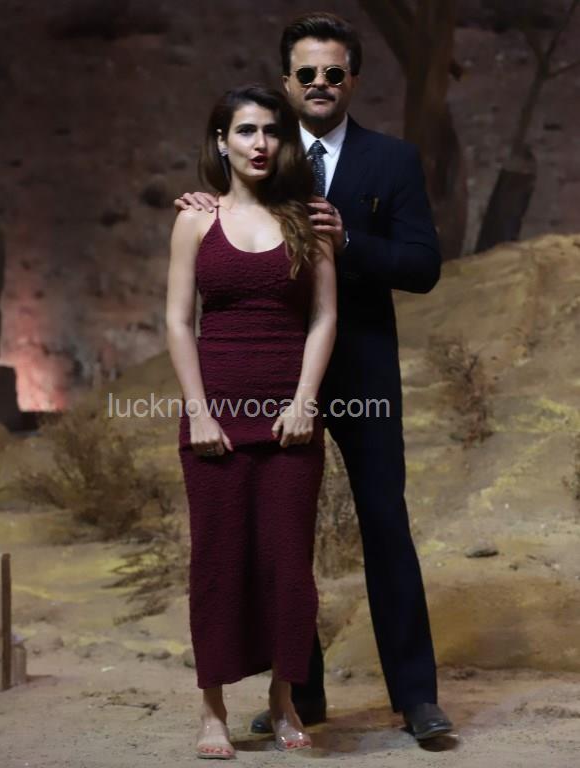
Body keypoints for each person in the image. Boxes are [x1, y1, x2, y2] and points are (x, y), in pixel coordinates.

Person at [175, 12, 454, 742]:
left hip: (358, 369)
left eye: (334, 72)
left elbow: (424, 266)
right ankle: (301, 693)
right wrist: (204, 199)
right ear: (286, 80)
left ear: (352, 79)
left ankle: (415, 698)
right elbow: (224, 233)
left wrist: (349, 239)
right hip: (264, 372)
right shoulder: (262, 151)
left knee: (384, 523)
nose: (321, 83)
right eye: (307, 73)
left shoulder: (391, 160)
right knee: (278, 536)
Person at [166, 83, 337, 758]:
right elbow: (178, 321)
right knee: (216, 564)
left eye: (270, 130)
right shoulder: (194, 221)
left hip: (291, 422)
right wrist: (199, 413)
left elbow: (324, 316)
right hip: (215, 421)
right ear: (221, 141)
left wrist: (304, 401)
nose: (259, 143)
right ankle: (211, 711)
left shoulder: (307, 221)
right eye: (245, 130)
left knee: (288, 567)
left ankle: (282, 702)